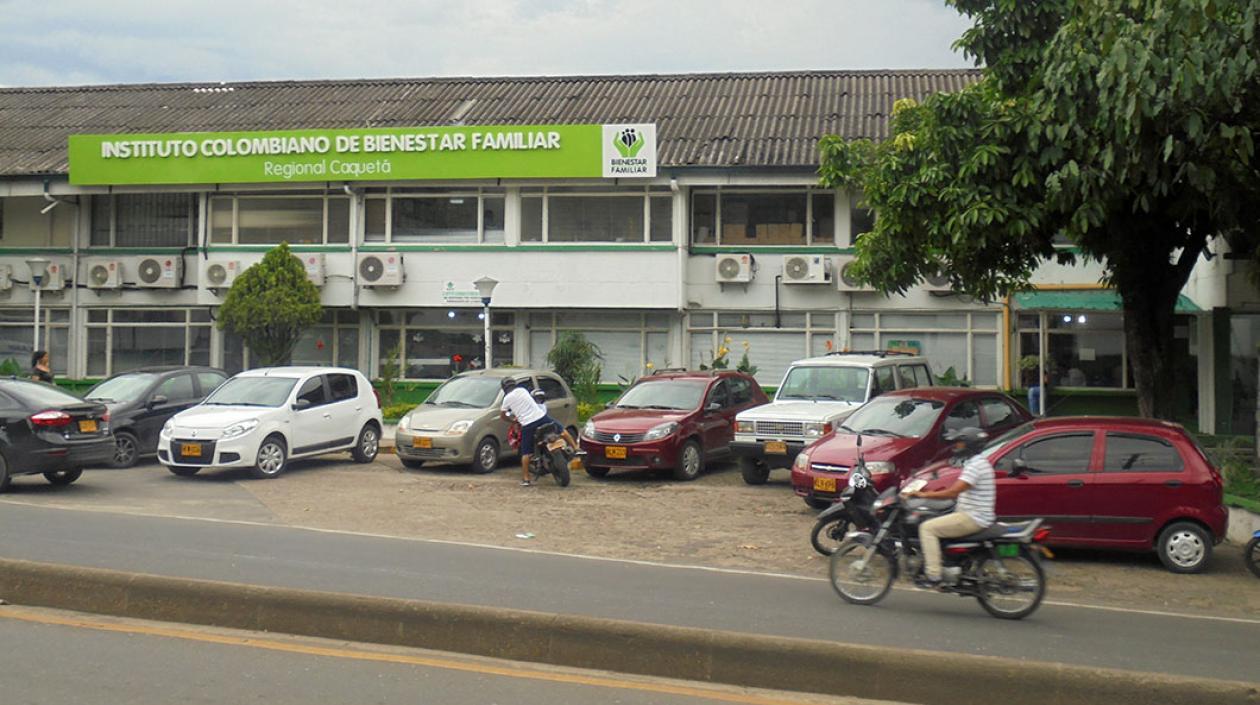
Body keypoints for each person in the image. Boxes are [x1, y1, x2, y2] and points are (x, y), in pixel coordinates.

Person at [904, 428, 994, 587]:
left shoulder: (975, 466)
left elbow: (953, 492)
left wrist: (924, 495)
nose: (957, 447)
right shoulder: (979, 463)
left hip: (972, 517)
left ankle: (933, 574)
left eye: (960, 443)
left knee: (927, 528)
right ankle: (948, 563)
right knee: (937, 519)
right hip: (974, 513)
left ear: (969, 445)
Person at [499, 377, 578, 486]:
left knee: (526, 453)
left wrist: (512, 420)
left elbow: (503, 416)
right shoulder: (522, 390)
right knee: (561, 430)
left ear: (504, 388)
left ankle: (526, 479)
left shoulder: (506, 399)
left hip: (528, 425)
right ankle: (576, 448)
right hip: (541, 418)